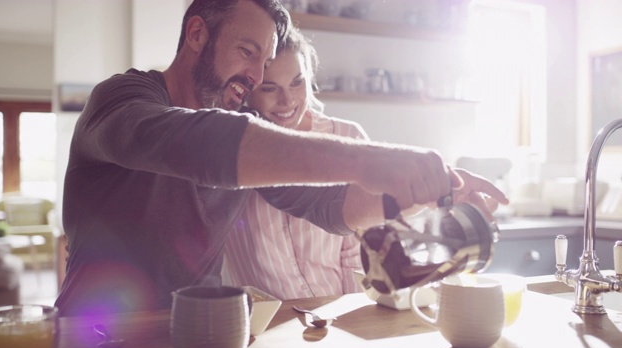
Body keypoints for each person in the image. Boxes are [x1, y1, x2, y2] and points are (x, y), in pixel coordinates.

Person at [56, 0, 508, 317]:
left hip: (200, 332)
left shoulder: (243, 129)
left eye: (265, 60)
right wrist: (373, 159)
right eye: (247, 52)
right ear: (197, 33)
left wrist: (422, 189)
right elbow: (197, 143)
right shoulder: (121, 100)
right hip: (96, 335)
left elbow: (332, 206)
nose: (256, 76)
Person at [223, 27, 367, 299]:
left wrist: (348, 316)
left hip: (338, 316)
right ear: (247, 91)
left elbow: (359, 249)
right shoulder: (226, 150)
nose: (287, 100)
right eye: (269, 88)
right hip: (262, 322)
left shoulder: (348, 138)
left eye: (297, 82)